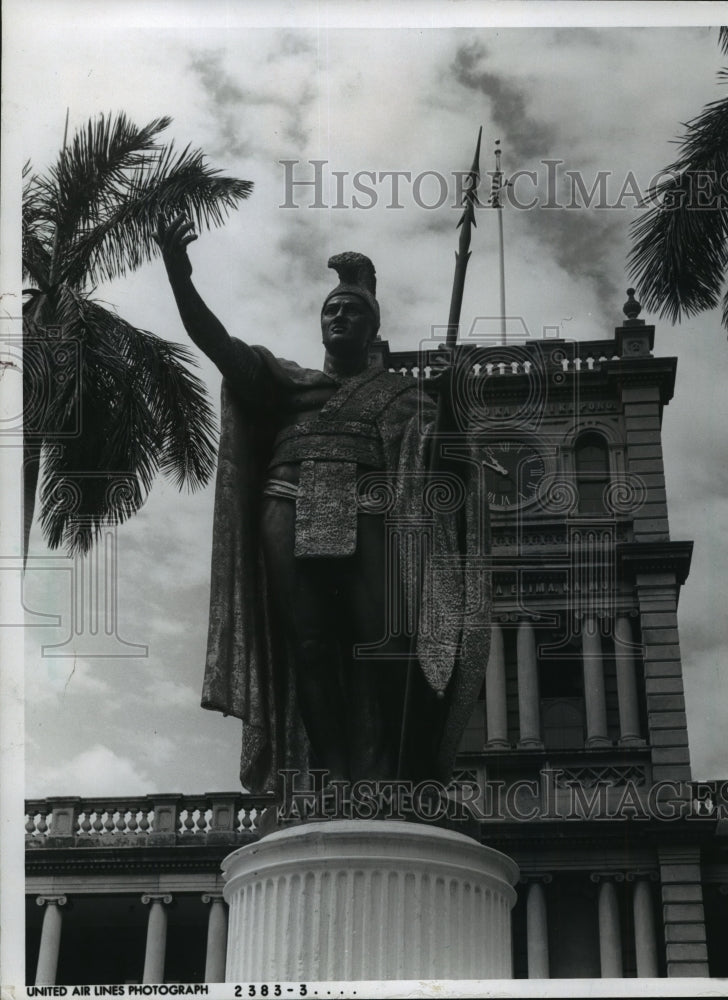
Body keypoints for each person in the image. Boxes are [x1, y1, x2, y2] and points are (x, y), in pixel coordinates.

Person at [155, 214, 489, 796]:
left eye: (352, 310)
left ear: (373, 328)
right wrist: (180, 278)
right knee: (308, 645)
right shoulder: (287, 382)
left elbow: (449, 474)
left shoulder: (405, 398)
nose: (338, 316)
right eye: (330, 309)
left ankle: (399, 774)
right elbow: (218, 345)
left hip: (372, 510)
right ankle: (333, 775)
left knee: (387, 641)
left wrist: (454, 405)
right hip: (288, 504)